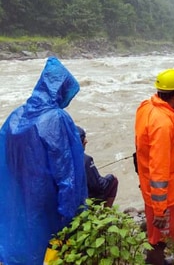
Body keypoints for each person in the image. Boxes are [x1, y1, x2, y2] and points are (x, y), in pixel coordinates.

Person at [0, 57, 87, 265]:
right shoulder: (56, 118)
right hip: (47, 201)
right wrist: (73, 215)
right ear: (60, 89)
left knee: (24, 246)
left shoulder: (15, 116)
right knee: (48, 250)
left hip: (20, 197)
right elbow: (67, 172)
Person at [134, 69, 174, 265]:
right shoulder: (164, 123)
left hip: (151, 187)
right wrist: (160, 210)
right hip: (163, 196)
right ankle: (155, 261)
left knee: (156, 235)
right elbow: (159, 166)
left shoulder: (146, 107)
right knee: (158, 240)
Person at [76, 126, 119, 208]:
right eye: (83, 138)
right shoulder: (86, 160)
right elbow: (97, 186)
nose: (86, 141)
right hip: (86, 199)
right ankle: (106, 213)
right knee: (113, 179)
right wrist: (109, 178)